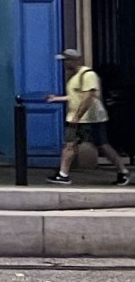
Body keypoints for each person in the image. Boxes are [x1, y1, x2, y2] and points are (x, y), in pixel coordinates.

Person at [47, 49, 129, 185]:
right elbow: (76, 96)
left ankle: (122, 171)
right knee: (70, 144)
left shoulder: (88, 75)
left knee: (101, 145)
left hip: (89, 118)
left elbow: (88, 97)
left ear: (75, 60)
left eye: (67, 60)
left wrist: (77, 116)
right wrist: (57, 99)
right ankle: (63, 174)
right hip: (77, 118)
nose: (64, 63)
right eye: (64, 60)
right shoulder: (75, 76)